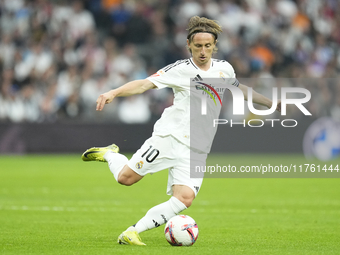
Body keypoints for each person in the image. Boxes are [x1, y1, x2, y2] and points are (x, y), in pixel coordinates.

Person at [81, 16, 281, 245]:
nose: (203, 51)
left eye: (208, 46)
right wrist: (113, 92)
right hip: (170, 138)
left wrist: (270, 102)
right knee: (126, 178)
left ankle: (132, 232)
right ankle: (110, 154)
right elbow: (145, 84)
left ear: (214, 46)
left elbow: (241, 90)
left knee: (185, 198)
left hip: (198, 147)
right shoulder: (180, 69)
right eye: (198, 46)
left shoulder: (225, 69)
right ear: (189, 45)